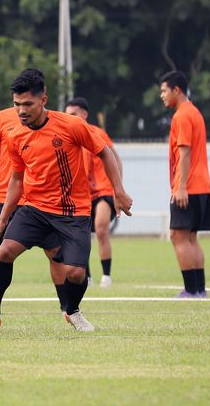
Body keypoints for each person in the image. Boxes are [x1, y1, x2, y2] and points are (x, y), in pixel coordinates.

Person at [0, 68, 132, 334]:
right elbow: (16, 180)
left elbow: (104, 152)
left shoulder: (71, 125)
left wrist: (118, 191)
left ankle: (73, 311)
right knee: (3, 252)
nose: (21, 111)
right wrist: (2, 221)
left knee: (75, 273)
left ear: (43, 99)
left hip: (73, 213)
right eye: (16, 105)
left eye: (28, 104)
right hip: (34, 209)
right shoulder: (15, 135)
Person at [0, 106, 68, 317]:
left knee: (55, 253)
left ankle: (67, 307)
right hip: (5, 196)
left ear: (40, 98)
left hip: (39, 199)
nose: (23, 104)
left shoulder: (50, 121)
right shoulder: (1, 118)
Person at [159, 70, 210, 298]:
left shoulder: (181, 116)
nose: (162, 96)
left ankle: (191, 290)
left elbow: (185, 152)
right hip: (202, 186)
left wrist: (180, 187)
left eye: (163, 91)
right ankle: (199, 289)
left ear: (176, 90)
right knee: (190, 237)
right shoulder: (195, 112)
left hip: (188, 187)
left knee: (178, 236)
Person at [65, 97, 123, 288]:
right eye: (67, 114)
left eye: (73, 114)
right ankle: (87, 276)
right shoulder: (67, 136)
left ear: (84, 114)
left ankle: (106, 275)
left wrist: (118, 189)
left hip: (103, 191)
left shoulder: (98, 133)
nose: (69, 118)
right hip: (81, 193)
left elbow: (115, 160)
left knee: (100, 228)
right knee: (81, 234)